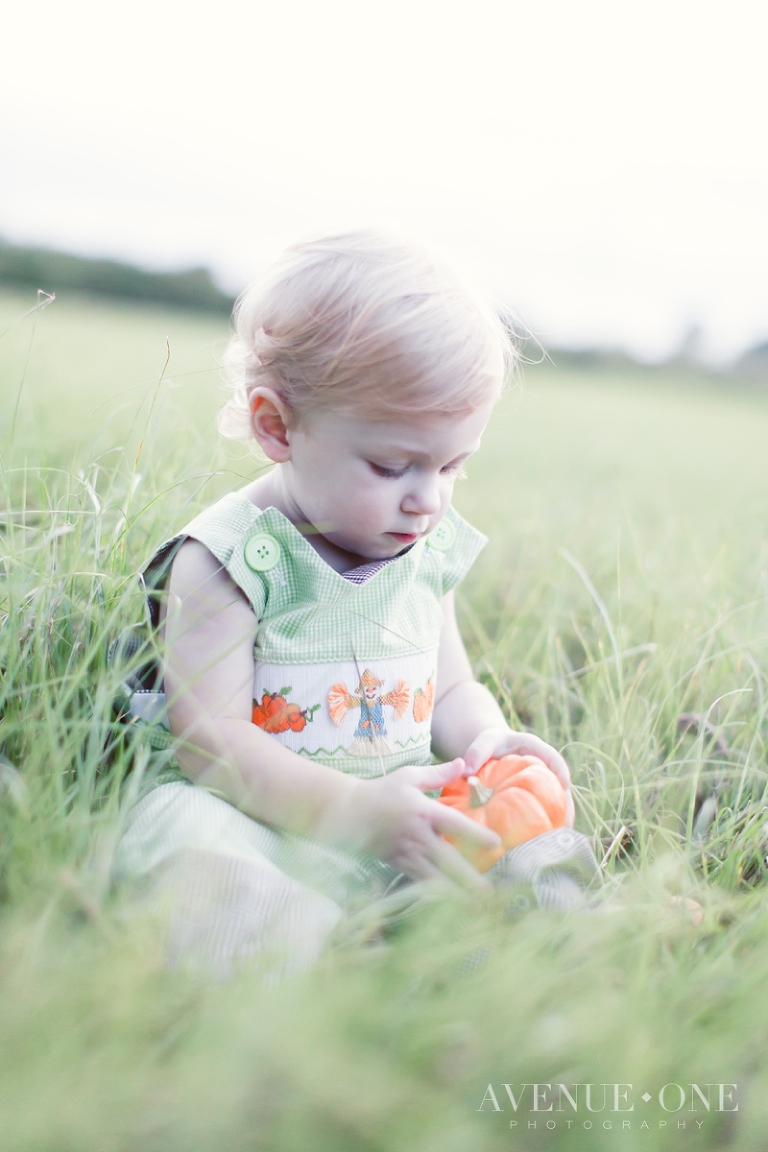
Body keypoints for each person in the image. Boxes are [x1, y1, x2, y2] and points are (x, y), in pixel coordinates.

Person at [113, 232, 598, 976]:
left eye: (452, 467)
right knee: (189, 836)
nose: (428, 499)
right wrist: (349, 813)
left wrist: (487, 740)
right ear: (278, 425)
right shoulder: (227, 561)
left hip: (394, 826)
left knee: (504, 858)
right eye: (392, 465)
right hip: (260, 820)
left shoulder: (422, 552)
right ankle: (294, 947)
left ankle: (491, 942)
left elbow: (452, 688)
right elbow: (209, 744)